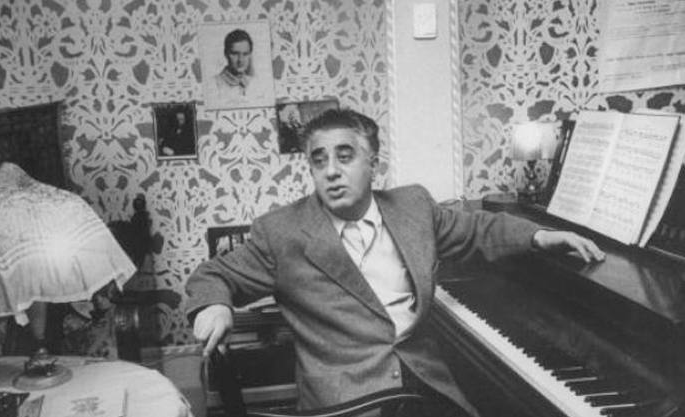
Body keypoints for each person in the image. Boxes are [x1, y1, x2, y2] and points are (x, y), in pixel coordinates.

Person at [187, 109, 605, 416]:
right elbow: (213, 275)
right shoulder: (282, 232)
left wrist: (538, 236)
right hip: (348, 402)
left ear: (373, 163)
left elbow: (476, 229)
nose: (331, 171)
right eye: (319, 160)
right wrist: (215, 304)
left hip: (424, 383)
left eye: (345, 156)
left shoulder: (412, 206)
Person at [213, 29, 256, 100]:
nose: (240, 60)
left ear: (250, 55)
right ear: (226, 54)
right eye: (235, 54)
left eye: (245, 54)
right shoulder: (214, 84)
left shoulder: (255, 83)